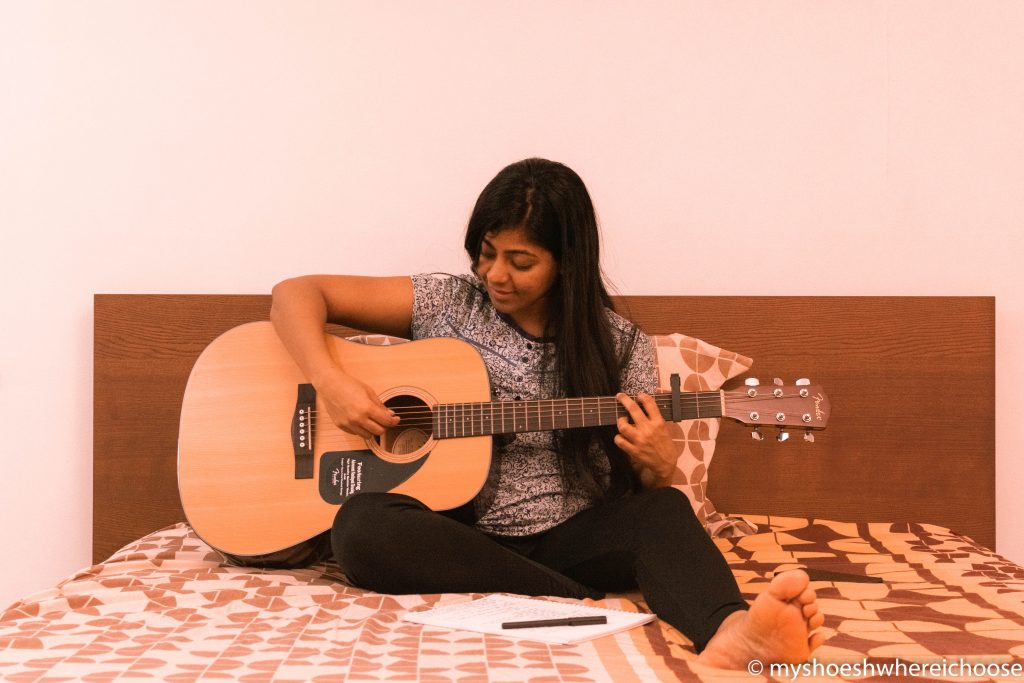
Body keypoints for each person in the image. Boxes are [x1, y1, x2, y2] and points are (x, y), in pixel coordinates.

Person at [269, 158, 826, 668]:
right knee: (361, 528)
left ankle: (732, 633)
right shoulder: (447, 301)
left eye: (521, 261)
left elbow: (639, 489)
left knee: (664, 510)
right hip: (455, 531)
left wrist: (660, 463)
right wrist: (331, 381)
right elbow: (296, 293)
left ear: (566, 263)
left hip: (572, 535)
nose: (495, 275)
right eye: (487, 252)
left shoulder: (619, 346)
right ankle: (560, 592)